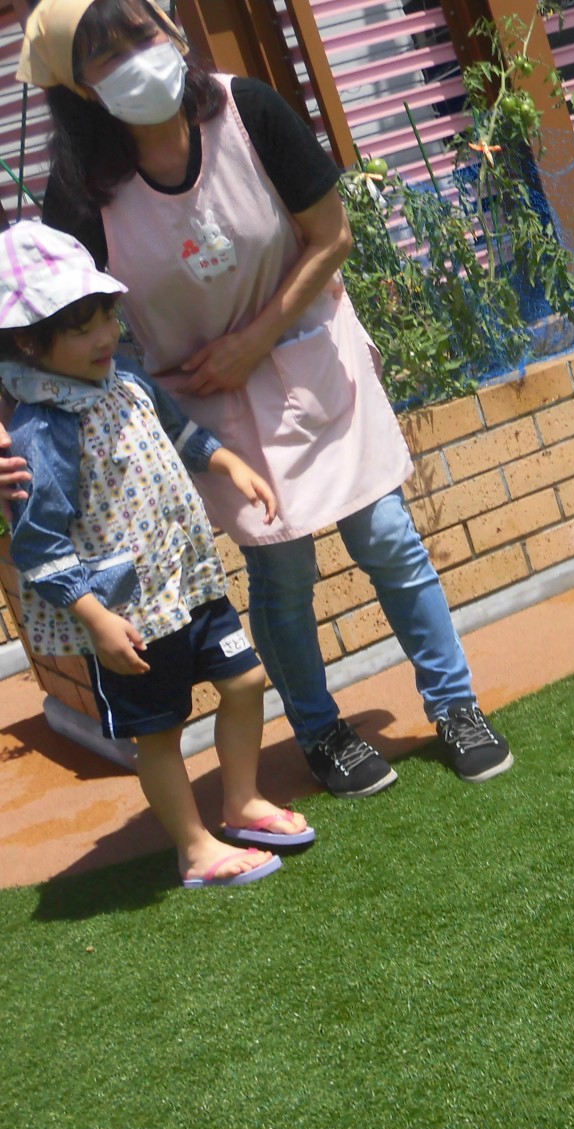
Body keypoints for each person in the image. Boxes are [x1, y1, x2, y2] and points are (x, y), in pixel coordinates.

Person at [19, 0, 514, 795]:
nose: (136, 59)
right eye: (105, 55)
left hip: (311, 353)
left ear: (171, 30)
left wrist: (255, 339)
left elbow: (331, 236)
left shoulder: (247, 111)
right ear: (77, 88)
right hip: (205, 404)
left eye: (141, 33)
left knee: (388, 536)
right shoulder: (82, 194)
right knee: (281, 568)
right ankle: (320, 731)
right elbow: (47, 320)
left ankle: (455, 704)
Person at [0, 220, 312, 887]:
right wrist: (96, 618)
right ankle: (194, 848)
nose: (103, 337)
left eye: (106, 317)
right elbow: (39, 545)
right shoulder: (41, 430)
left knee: (245, 681)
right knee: (159, 731)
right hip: (128, 611)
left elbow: (178, 430)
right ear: (29, 341)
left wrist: (227, 462)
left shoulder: (126, 379)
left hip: (189, 583)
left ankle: (241, 801)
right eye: (81, 329)